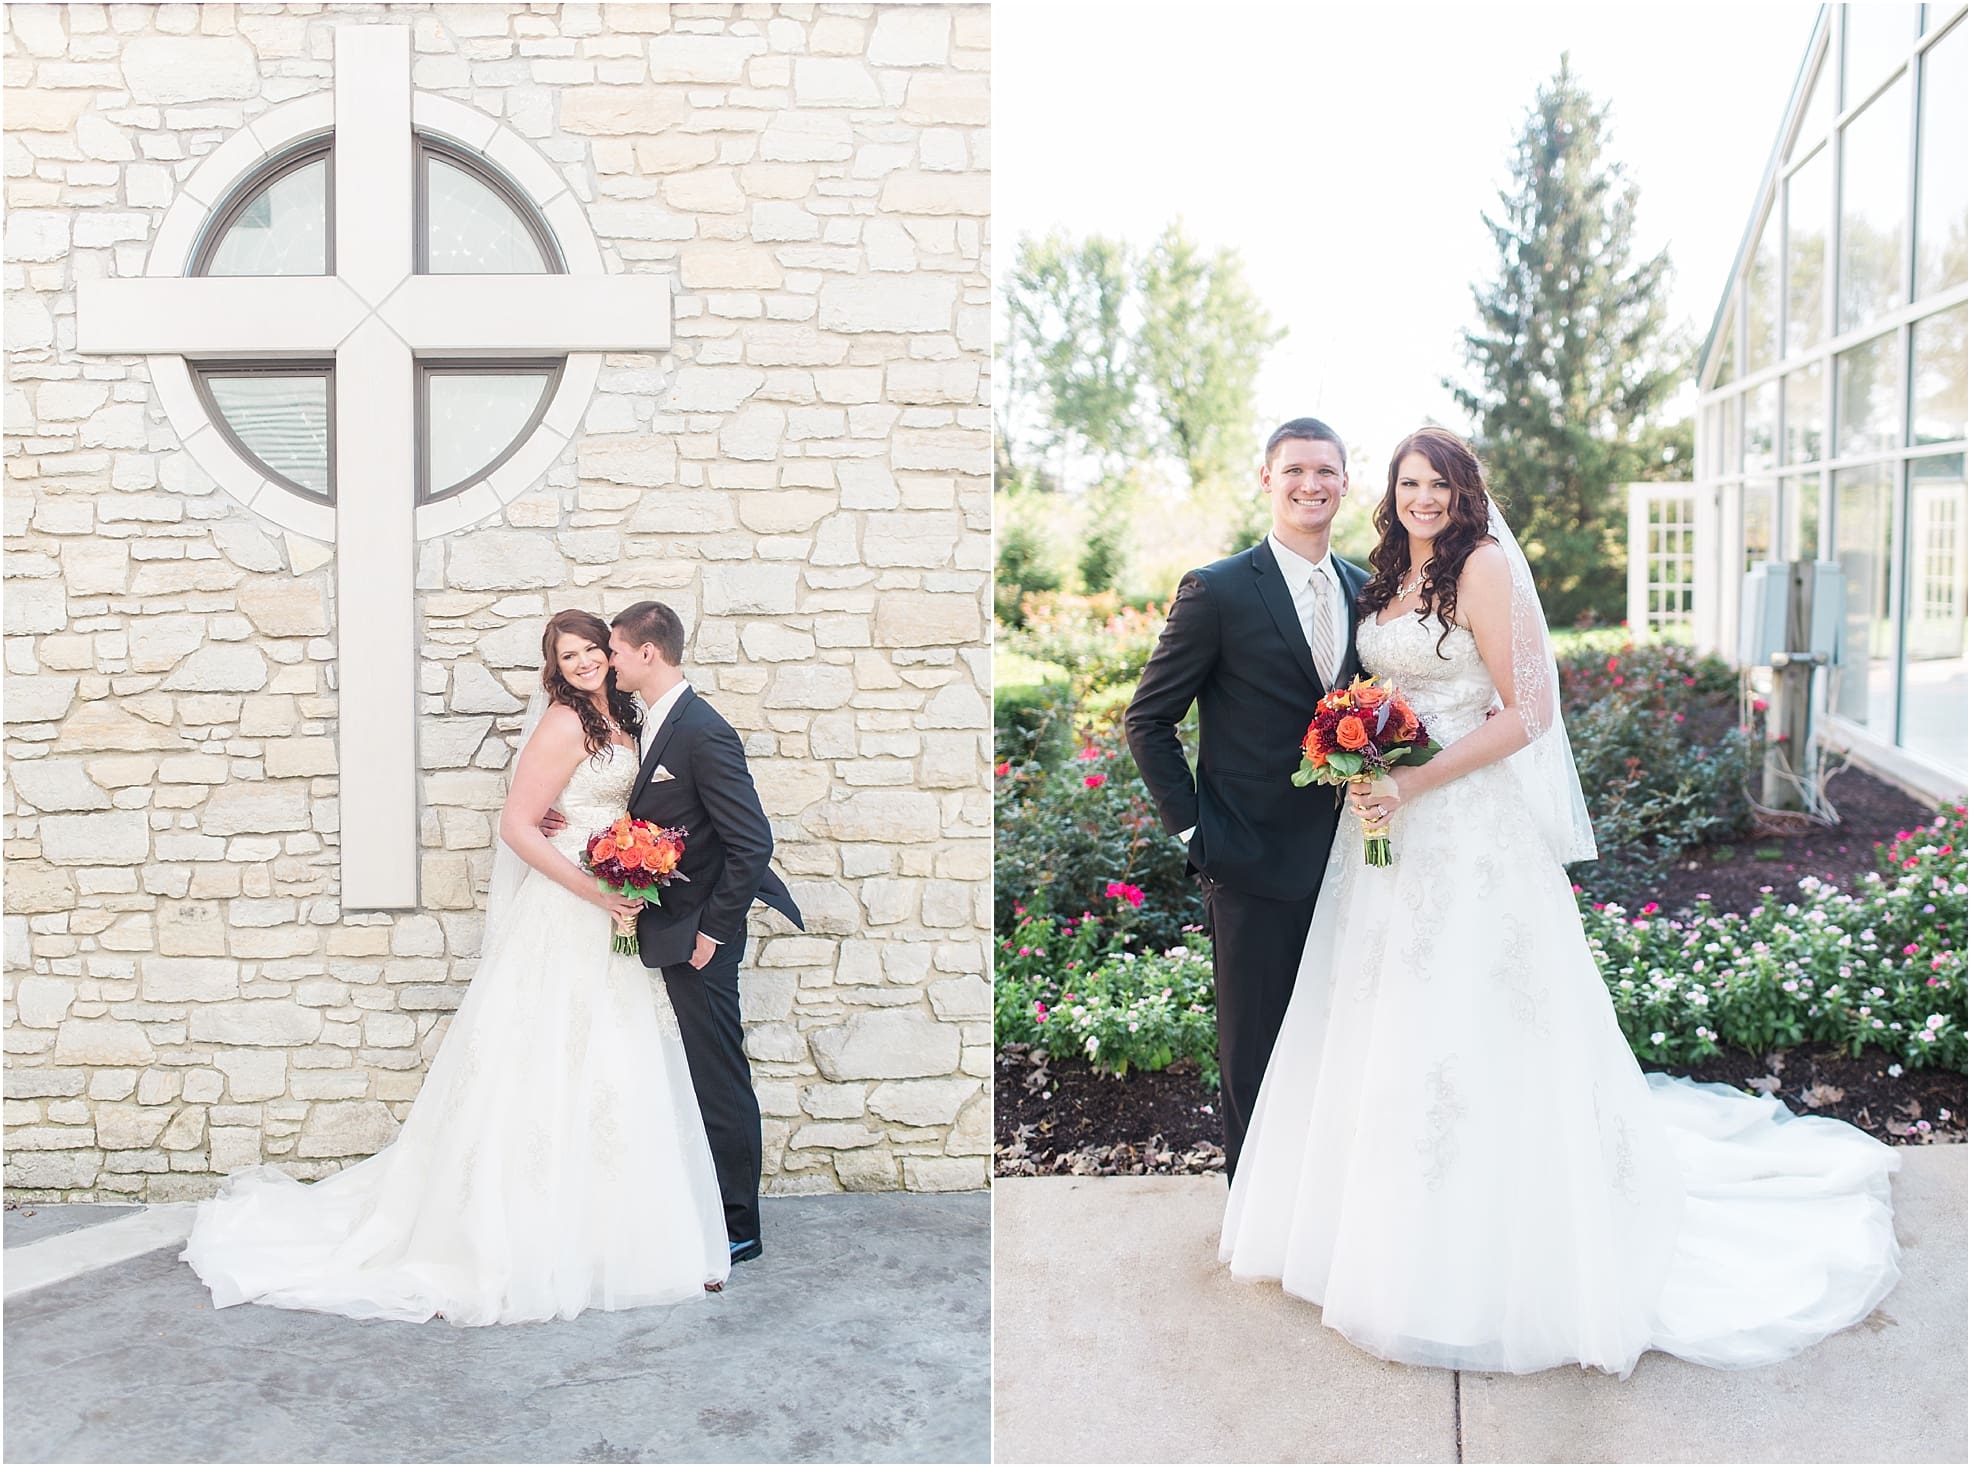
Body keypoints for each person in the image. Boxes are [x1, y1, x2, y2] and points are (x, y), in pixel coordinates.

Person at [1220, 426, 1900, 1376]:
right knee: (1386, 1018)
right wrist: (1361, 752)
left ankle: (1488, 1249)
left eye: (1439, 485)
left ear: (1465, 493)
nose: (1422, 499)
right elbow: (1377, 684)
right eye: (1408, 483)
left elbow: (1528, 712)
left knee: (1477, 1014)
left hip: (1466, 829)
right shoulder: (1381, 577)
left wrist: (1412, 782)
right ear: (1391, 494)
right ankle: (1373, 1230)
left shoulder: (1485, 567)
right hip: (1383, 833)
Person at [181, 609, 730, 1324]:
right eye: (568, 657)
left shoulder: (629, 716)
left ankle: (606, 1230)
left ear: (614, 652)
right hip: (571, 903)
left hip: (617, 903)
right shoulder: (565, 723)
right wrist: (595, 888)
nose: (585, 662)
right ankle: (520, 1231)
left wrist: (628, 868)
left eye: (593, 649)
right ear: (555, 669)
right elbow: (517, 824)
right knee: (544, 1057)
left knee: (611, 1059)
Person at [1125, 418, 1370, 1177]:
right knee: (1254, 1045)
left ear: (1344, 484)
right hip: (1251, 858)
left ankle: (1323, 1197)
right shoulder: (1218, 589)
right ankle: (1255, 1207)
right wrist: (1197, 833)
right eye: (1293, 469)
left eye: (1325, 471)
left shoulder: (1368, 589)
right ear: (1265, 479)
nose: (1310, 484)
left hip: (1358, 856)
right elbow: (1147, 719)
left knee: (1341, 1035)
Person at [605, 600, 804, 1263]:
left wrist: (714, 933)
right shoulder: (655, 721)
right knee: (695, 1068)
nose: (608, 660)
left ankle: (738, 1225)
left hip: (698, 933)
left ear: (647, 652)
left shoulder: (702, 730)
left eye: (614, 649)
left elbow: (751, 842)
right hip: (669, 923)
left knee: (717, 1072)